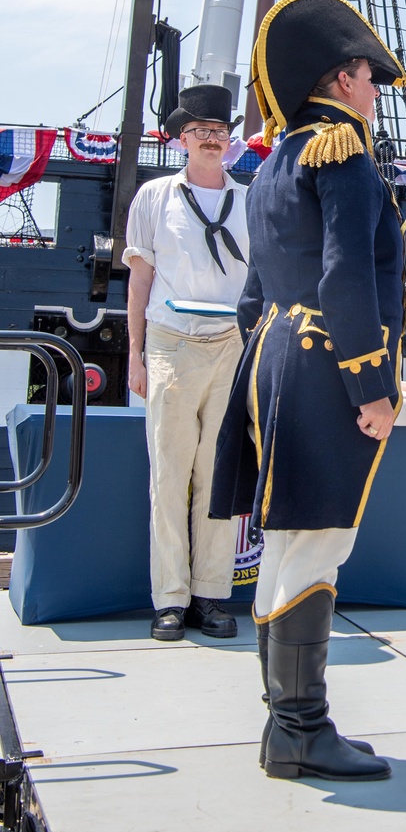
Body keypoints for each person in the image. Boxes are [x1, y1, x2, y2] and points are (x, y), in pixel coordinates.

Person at [210, 0, 406, 783]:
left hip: (273, 354)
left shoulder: (273, 163)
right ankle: (300, 729)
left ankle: (286, 727)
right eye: (369, 78)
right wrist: (370, 382)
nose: (374, 94)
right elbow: (347, 275)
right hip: (328, 358)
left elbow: (257, 289)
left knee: (288, 541)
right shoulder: (344, 154)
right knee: (318, 541)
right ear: (344, 77)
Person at [124, 85, 248, 641]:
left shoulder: (247, 201)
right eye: (200, 132)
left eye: (219, 132)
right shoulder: (155, 197)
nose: (211, 140)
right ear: (182, 139)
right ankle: (170, 598)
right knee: (170, 474)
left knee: (217, 475)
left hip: (229, 345)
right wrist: (135, 354)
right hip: (171, 342)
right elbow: (141, 279)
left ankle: (211, 595)